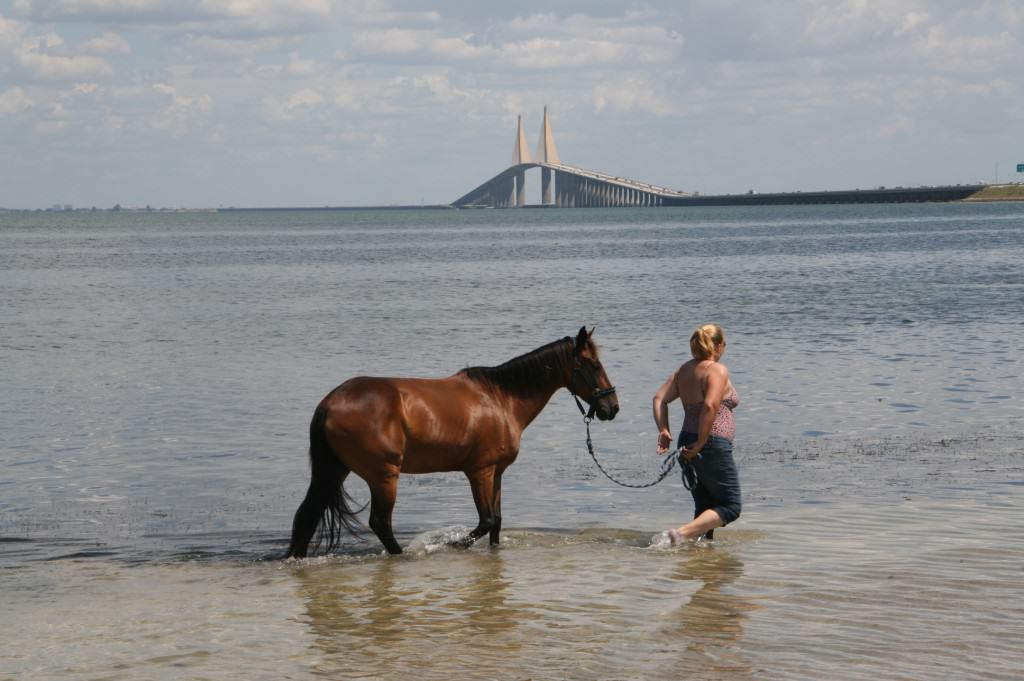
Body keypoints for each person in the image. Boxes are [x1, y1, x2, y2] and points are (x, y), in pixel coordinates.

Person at [652, 323, 741, 544]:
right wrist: (702, 442)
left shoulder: (683, 370)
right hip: (709, 444)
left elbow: (659, 399)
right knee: (731, 507)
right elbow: (710, 406)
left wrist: (663, 429)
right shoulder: (716, 370)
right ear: (718, 346)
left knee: (704, 507)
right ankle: (679, 535)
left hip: (686, 441)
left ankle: (703, 564)